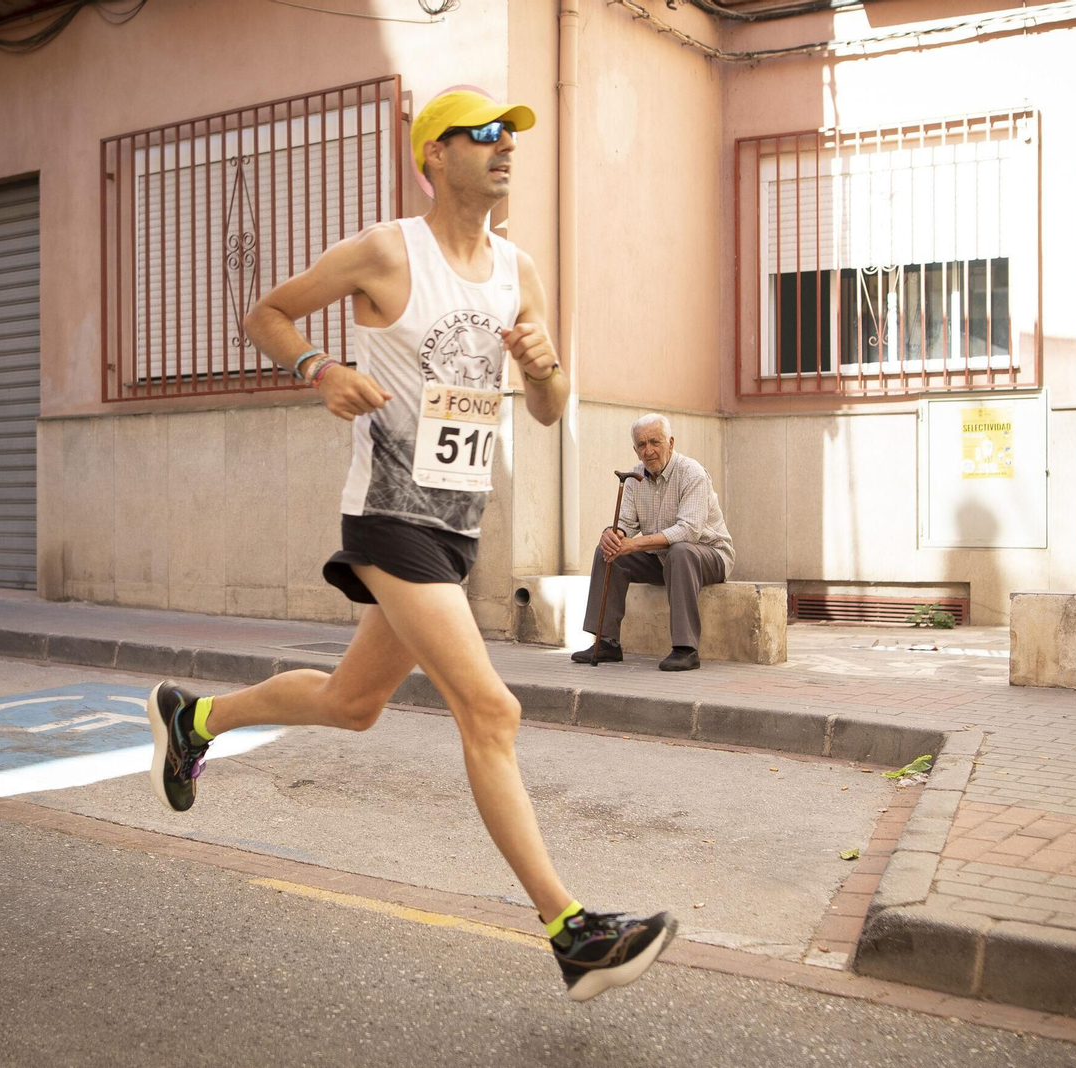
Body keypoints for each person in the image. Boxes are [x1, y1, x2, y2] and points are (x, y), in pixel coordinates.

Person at [143, 90, 676, 1002]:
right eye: (486, 135)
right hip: (389, 517)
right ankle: (570, 930)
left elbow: (547, 410)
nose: (506, 147)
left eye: (513, 137)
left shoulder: (518, 268)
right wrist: (322, 368)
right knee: (492, 711)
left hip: (456, 524)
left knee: (354, 705)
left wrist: (543, 366)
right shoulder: (389, 251)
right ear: (435, 155)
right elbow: (264, 314)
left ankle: (194, 721)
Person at [572, 414, 734, 671]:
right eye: (642, 445)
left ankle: (686, 649)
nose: (649, 451)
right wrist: (612, 535)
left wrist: (634, 545)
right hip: (663, 558)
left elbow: (689, 531)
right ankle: (606, 642)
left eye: (655, 442)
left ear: (670, 442)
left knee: (680, 552)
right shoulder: (635, 477)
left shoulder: (693, 473)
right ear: (635, 450)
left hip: (709, 555)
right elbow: (625, 524)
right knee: (609, 552)